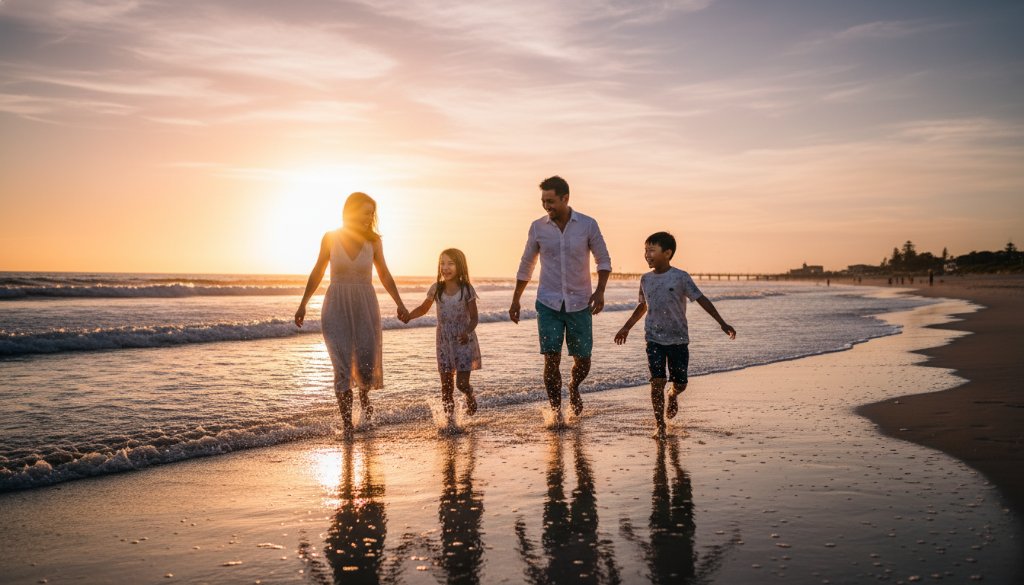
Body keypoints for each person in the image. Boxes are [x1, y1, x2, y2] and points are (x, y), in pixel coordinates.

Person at [295, 192, 409, 435]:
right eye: (365, 212)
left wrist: (399, 303)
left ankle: (365, 402)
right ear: (351, 211)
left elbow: (384, 274)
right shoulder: (330, 238)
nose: (369, 218)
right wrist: (303, 303)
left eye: (372, 213)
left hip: (365, 306)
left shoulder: (374, 242)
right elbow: (317, 271)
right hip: (336, 306)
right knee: (342, 367)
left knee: (366, 364)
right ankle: (348, 426)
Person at [509, 176, 611, 423]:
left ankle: (574, 386)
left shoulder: (587, 225)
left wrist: (600, 291)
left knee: (583, 361)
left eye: (551, 201)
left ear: (565, 198)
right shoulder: (537, 228)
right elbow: (526, 264)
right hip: (548, 303)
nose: (546, 206)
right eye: (543, 201)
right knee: (551, 359)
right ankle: (556, 414)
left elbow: (603, 260)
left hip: (580, 303)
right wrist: (516, 299)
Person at [614, 232, 736, 438]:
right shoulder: (645, 279)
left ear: (667, 253)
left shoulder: (680, 277)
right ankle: (660, 425)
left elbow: (702, 299)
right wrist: (626, 327)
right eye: (645, 251)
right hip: (653, 338)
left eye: (652, 250)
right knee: (657, 382)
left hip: (678, 339)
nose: (647, 255)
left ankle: (673, 395)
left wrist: (722, 323)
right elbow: (642, 306)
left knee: (681, 383)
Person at [405, 248, 482, 425]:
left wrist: (467, 332)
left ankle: (469, 394)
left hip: (463, 340)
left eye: (450, 264)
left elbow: (474, 318)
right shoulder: (436, 288)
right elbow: (423, 308)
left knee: (461, 384)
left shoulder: (466, 289)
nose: (445, 268)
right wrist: (409, 316)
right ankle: (450, 423)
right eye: (442, 264)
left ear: (460, 266)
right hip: (444, 341)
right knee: (446, 387)